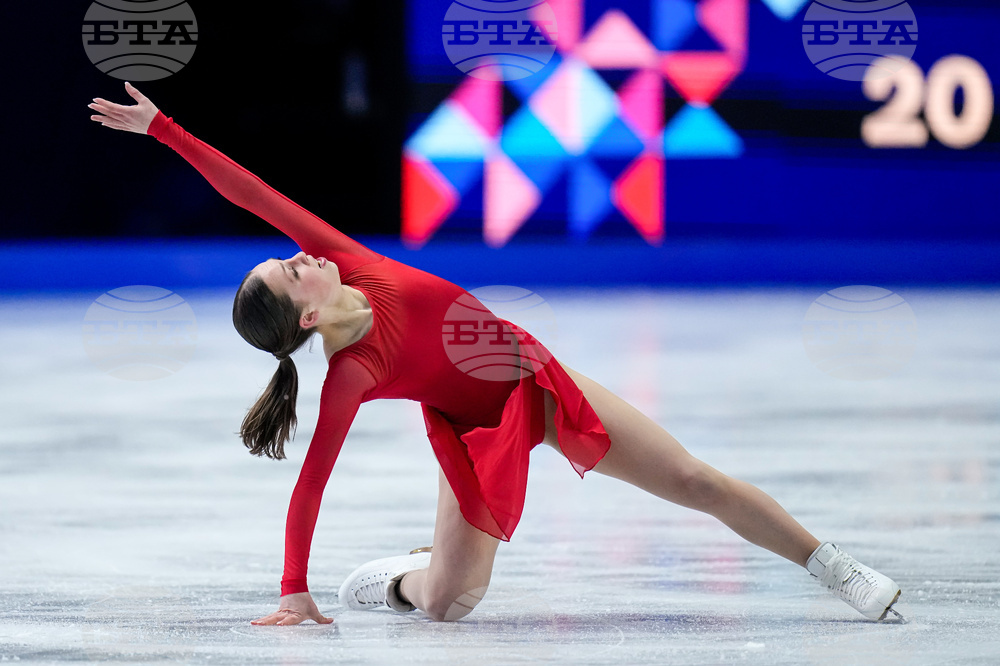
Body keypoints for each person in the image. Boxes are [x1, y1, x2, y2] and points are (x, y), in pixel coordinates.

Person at [88, 83, 903, 625]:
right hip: (475, 437)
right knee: (448, 605)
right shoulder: (351, 376)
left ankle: (833, 566)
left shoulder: (347, 257)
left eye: (287, 255)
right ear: (304, 318)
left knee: (694, 479)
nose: (298, 256)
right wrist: (293, 591)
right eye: (289, 271)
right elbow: (311, 485)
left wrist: (162, 129)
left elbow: (249, 190)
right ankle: (401, 579)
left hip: (534, 378)